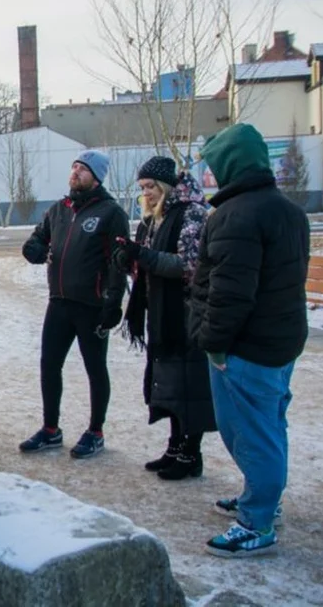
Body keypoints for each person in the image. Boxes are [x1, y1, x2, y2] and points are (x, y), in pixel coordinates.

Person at [188, 123, 310, 558]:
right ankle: (263, 497)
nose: (211, 175)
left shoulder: (235, 216)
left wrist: (214, 342)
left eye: (215, 166)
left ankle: (257, 521)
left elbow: (229, 292)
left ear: (230, 165)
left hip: (244, 347)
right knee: (270, 425)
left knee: (250, 432)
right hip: (280, 340)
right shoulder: (288, 210)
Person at [19, 149, 129, 459]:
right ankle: (51, 429)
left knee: (95, 368)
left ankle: (96, 431)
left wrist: (113, 303)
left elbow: (118, 264)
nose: (75, 172)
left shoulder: (111, 213)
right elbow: (35, 241)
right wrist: (36, 251)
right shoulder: (58, 210)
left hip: (92, 305)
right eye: (74, 167)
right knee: (49, 364)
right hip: (59, 303)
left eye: (82, 169)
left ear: (96, 177)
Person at [112, 157, 216, 481]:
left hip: (187, 313)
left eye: (151, 187)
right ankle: (174, 445)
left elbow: (188, 265)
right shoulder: (155, 218)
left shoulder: (192, 213)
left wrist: (142, 255)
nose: (147, 193)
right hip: (161, 310)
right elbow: (146, 262)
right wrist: (127, 258)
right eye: (142, 188)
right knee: (170, 384)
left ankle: (191, 453)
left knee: (190, 385)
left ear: (166, 186)